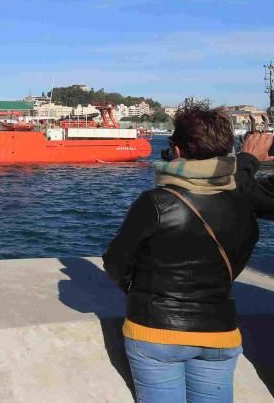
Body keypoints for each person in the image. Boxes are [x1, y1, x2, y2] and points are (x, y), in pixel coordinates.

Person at [103, 104, 260, 402]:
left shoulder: (156, 202)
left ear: (175, 151)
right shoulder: (243, 204)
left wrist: (142, 292)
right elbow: (240, 257)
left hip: (155, 330)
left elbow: (115, 263)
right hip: (220, 332)